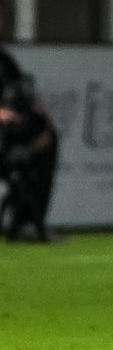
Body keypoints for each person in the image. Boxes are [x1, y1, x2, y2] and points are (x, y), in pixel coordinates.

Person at [0, 23, 57, 242]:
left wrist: (37, 113)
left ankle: (28, 222)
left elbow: (22, 95)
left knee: (46, 139)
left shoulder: (5, 61)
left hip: (9, 138)